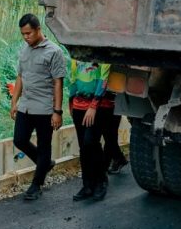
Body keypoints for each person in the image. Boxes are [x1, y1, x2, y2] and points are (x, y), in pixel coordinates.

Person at [10, 14, 66, 200]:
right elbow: (20, 77)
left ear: (38, 29)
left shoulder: (54, 52)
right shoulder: (24, 49)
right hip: (25, 106)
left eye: (29, 33)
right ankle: (44, 164)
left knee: (44, 146)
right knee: (19, 140)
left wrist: (57, 111)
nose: (26, 37)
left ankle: (37, 184)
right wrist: (14, 102)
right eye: (23, 34)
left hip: (44, 108)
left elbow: (58, 83)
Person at [68, 59, 115, 201]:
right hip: (79, 105)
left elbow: (104, 78)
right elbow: (74, 78)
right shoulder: (76, 55)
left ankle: (101, 181)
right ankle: (87, 184)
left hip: (99, 105)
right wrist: (70, 102)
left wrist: (93, 106)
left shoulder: (102, 52)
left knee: (91, 142)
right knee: (83, 146)